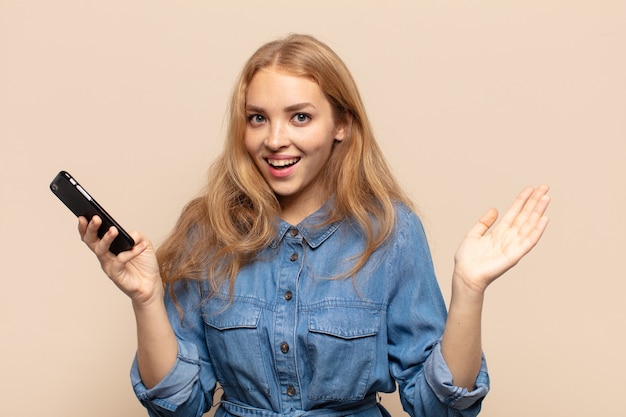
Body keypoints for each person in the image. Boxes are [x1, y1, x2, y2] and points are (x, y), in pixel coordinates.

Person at [78, 34, 550, 417]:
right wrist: (146, 300)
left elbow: (439, 409)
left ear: (341, 124)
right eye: (257, 118)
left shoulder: (391, 231)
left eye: (300, 117)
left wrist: (469, 289)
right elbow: (178, 406)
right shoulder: (208, 227)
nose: (274, 140)